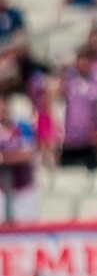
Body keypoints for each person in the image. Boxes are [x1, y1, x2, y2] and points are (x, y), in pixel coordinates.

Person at [59, 49, 97, 171]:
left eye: (86, 62)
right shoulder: (69, 81)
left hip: (90, 141)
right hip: (70, 140)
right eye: (80, 62)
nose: (82, 65)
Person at [0, 95, 38, 224]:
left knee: (27, 227)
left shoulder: (23, 127)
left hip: (24, 188)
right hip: (2, 191)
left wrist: (4, 158)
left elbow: (28, 154)